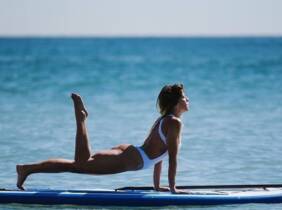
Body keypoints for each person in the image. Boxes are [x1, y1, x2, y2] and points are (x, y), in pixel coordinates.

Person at [16, 84, 189, 193]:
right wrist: (173, 188)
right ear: (176, 102)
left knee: (77, 166)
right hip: (130, 159)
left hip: (131, 154)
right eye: (184, 97)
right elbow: (172, 159)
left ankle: (27, 169)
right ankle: (81, 119)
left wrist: (157, 186)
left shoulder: (165, 120)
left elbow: (159, 156)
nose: (187, 99)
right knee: (82, 162)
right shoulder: (174, 123)